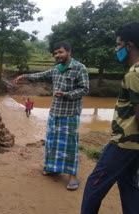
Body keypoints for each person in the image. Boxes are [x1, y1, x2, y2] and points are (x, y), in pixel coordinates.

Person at [13, 41, 89, 191]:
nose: (57, 55)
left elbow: (84, 89)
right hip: (54, 112)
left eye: (60, 52)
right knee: (52, 143)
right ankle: (53, 168)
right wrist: (25, 76)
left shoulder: (80, 68)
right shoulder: (56, 70)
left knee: (69, 146)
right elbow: (40, 75)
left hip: (70, 114)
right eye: (55, 53)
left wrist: (66, 94)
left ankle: (72, 176)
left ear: (69, 52)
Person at [81, 22, 139, 214]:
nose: (116, 49)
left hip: (124, 143)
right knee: (128, 185)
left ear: (129, 46)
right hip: (135, 147)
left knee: (93, 186)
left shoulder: (134, 74)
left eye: (118, 44)